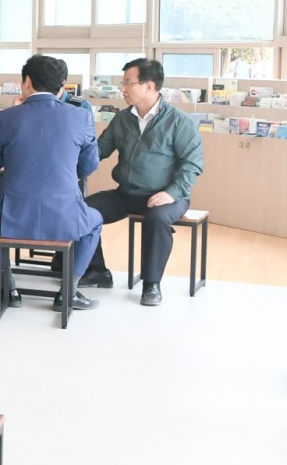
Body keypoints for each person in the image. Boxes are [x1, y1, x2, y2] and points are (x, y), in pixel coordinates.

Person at [0, 54, 104, 311]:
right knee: (94, 223)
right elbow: (90, 165)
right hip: (65, 214)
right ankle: (68, 292)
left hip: (13, 214)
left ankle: (7, 288)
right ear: (62, 86)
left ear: (26, 82)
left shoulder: (6, 118)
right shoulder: (80, 116)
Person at [79, 58, 205, 307]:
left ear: (149, 86)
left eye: (128, 82)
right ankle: (97, 271)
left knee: (156, 219)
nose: (122, 89)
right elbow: (100, 150)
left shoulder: (179, 121)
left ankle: (151, 284)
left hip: (168, 196)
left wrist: (171, 193)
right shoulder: (122, 118)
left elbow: (192, 165)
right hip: (126, 193)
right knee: (82, 210)